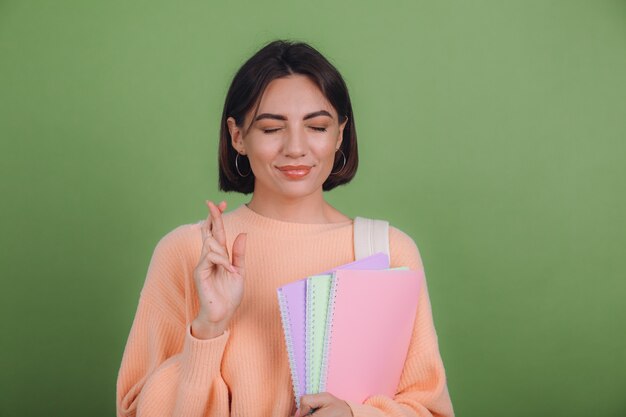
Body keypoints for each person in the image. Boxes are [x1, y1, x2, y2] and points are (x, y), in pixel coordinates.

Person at [116, 40, 455, 417]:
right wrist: (207, 330)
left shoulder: (386, 252)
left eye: (317, 126)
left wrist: (356, 415)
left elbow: (431, 410)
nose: (296, 148)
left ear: (340, 134)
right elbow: (134, 410)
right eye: (272, 128)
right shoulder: (189, 253)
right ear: (237, 136)